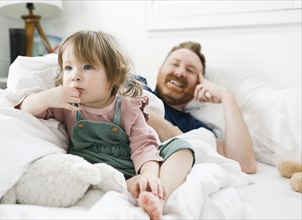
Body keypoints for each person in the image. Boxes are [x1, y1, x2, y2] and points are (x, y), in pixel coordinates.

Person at [15, 30, 195, 220]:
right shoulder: (66, 104)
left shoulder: (128, 106)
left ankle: (157, 193)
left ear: (113, 74)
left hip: (130, 166)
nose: (75, 76)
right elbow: (24, 109)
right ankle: (126, 185)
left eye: (87, 67)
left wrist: (149, 176)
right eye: (68, 68)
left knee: (182, 148)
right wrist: (47, 97)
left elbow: (143, 146)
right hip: (92, 168)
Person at [144, 41, 257, 174]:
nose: (180, 72)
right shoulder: (135, 85)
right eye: (174, 64)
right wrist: (176, 135)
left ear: (199, 83)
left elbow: (243, 164)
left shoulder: (195, 127)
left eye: (190, 70)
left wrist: (227, 97)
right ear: (159, 71)